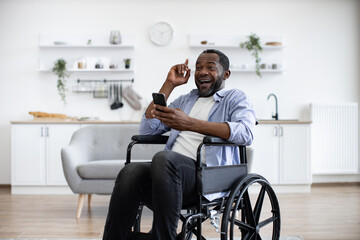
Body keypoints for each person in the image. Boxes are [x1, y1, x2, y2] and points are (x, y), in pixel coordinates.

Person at [102, 49, 256, 240]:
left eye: (210, 67)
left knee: (165, 158)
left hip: (207, 176)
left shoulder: (235, 98)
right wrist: (169, 84)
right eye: (198, 67)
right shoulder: (185, 100)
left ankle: (163, 237)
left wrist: (190, 123)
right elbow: (148, 129)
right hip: (167, 176)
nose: (202, 72)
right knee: (131, 171)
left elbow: (246, 133)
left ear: (226, 74)